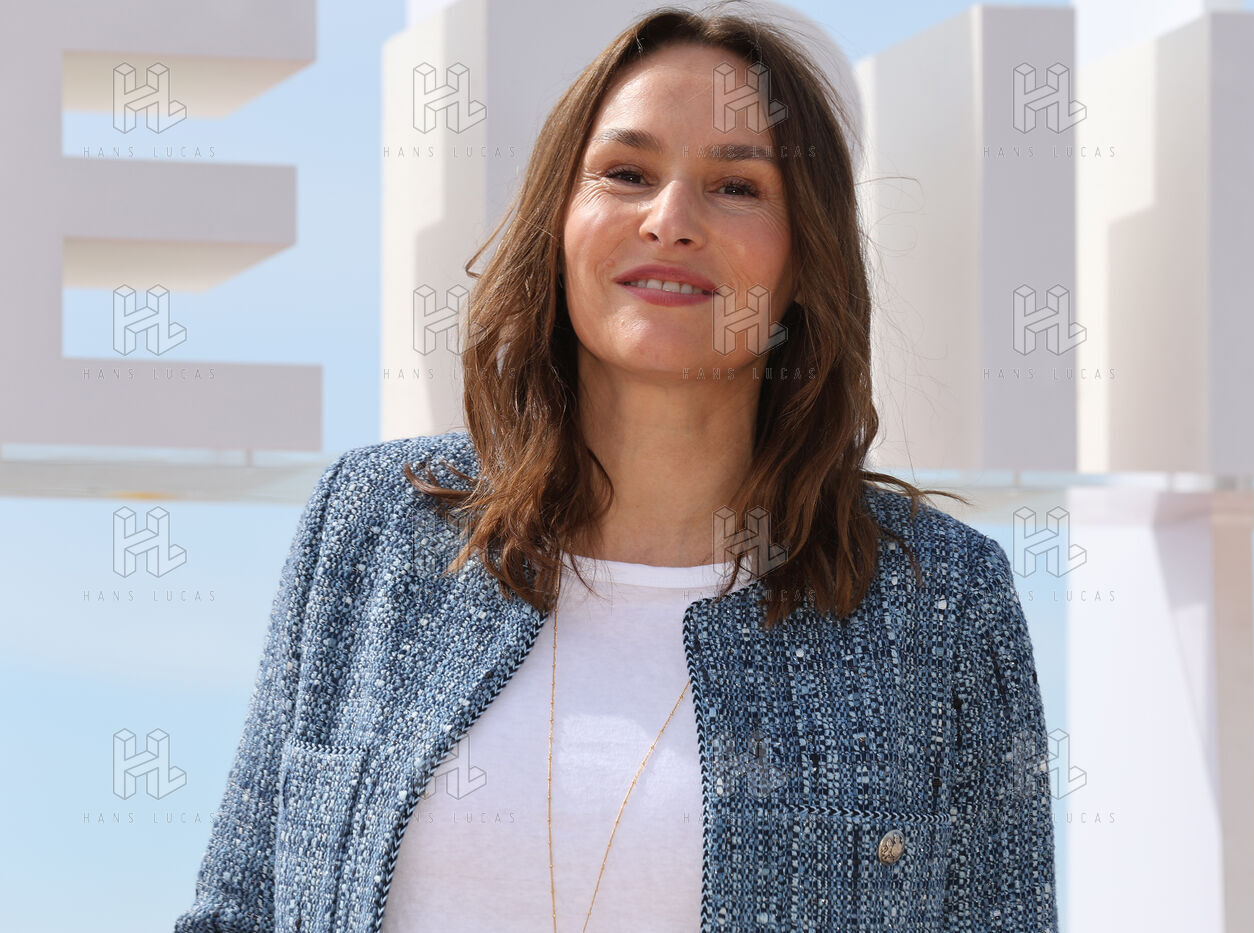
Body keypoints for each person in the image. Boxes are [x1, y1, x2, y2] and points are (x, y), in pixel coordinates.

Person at [174, 3, 1059, 931]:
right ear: (559, 221)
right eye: (627, 174)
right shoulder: (375, 527)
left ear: (807, 258)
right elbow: (239, 909)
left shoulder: (938, 598)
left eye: (738, 186)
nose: (670, 221)